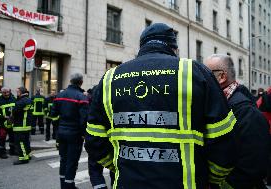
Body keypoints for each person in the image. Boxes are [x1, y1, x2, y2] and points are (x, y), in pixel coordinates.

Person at [85, 23, 237, 189]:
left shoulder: (110, 78)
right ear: (174, 48)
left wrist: (117, 166)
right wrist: (212, 178)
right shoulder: (194, 72)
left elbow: (94, 139)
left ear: (141, 46)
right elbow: (224, 139)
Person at [205, 54, 270, 188]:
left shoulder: (246, 112)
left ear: (222, 77)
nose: (203, 78)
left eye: (207, 74)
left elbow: (253, 166)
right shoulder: (222, 104)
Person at [51, 73, 89, 189]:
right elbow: (84, 119)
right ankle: (68, 186)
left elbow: (53, 115)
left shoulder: (60, 95)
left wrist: (58, 129)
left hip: (61, 132)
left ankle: (65, 185)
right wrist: (84, 135)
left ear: (70, 81)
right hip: (75, 134)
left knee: (63, 159)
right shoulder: (81, 97)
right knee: (72, 161)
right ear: (81, 82)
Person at [0, 87, 16, 159]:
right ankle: (2, 153)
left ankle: (12, 151)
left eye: (7, 92)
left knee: (12, 138)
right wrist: (2, 117)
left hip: (12, 122)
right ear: (1, 92)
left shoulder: (13, 99)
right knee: (2, 138)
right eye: (4, 92)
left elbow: (16, 108)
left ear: (10, 91)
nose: (6, 94)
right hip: (2, 123)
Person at [12, 87, 32, 165]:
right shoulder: (29, 100)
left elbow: (15, 111)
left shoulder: (21, 101)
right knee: (26, 142)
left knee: (20, 142)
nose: (17, 93)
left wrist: (12, 110)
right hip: (27, 125)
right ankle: (27, 155)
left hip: (20, 125)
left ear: (21, 92)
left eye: (17, 92)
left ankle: (23, 158)